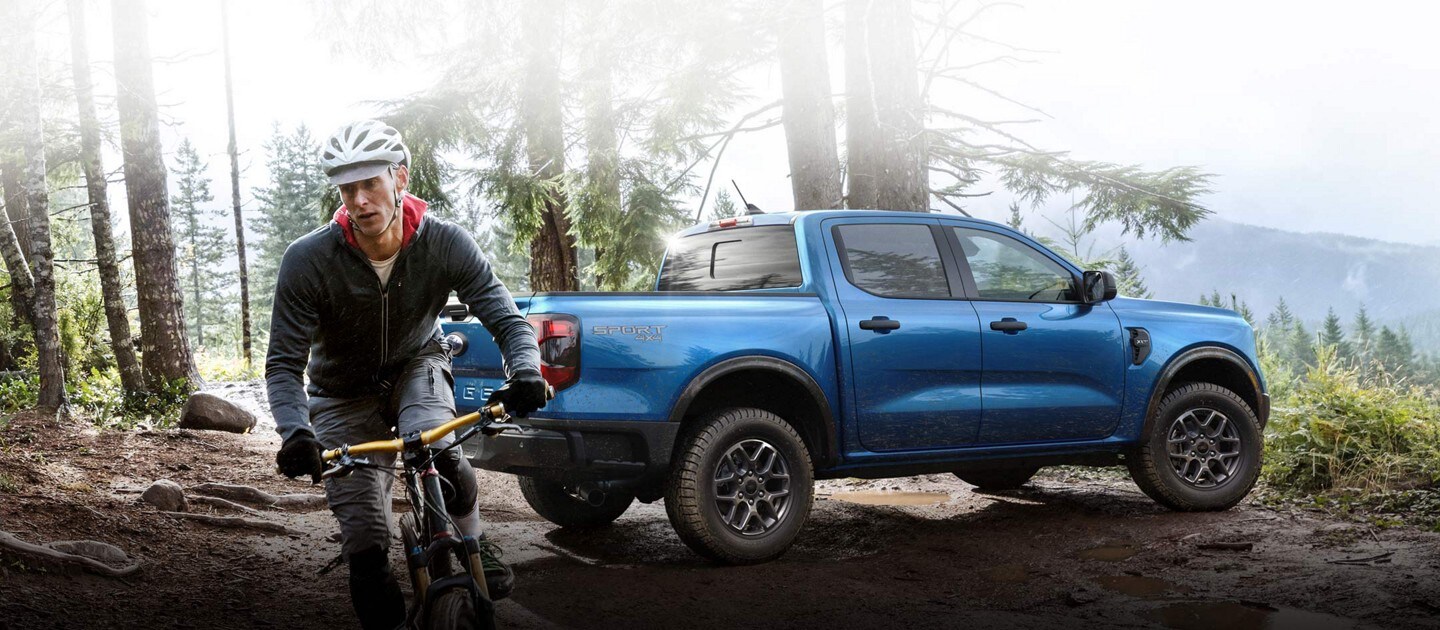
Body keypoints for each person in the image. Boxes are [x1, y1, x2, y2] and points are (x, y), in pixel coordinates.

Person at [267, 119, 548, 629]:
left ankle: (471, 534)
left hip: (418, 363)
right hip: (339, 394)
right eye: (347, 189)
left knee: (438, 448)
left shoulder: (444, 243)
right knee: (366, 546)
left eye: (370, 183)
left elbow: (506, 318)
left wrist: (526, 371)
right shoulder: (308, 259)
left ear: (400, 178)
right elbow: (283, 363)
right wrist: (295, 432)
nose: (358, 200)